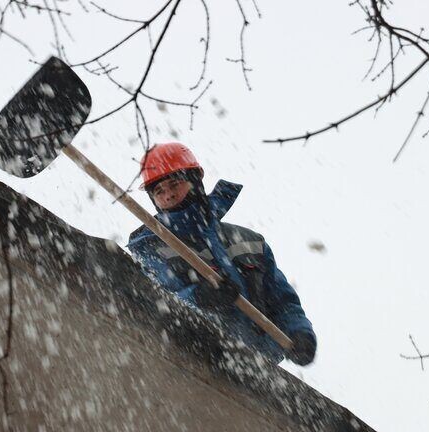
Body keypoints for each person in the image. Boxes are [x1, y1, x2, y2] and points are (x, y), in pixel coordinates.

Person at [127, 142, 317, 366]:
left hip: (261, 370)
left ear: (196, 181)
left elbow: (284, 302)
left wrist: (300, 333)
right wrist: (199, 298)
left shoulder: (250, 242)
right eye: (158, 191)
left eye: (175, 184)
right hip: (191, 362)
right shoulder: (150, 248)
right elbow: (152, 300)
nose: (168, 195)